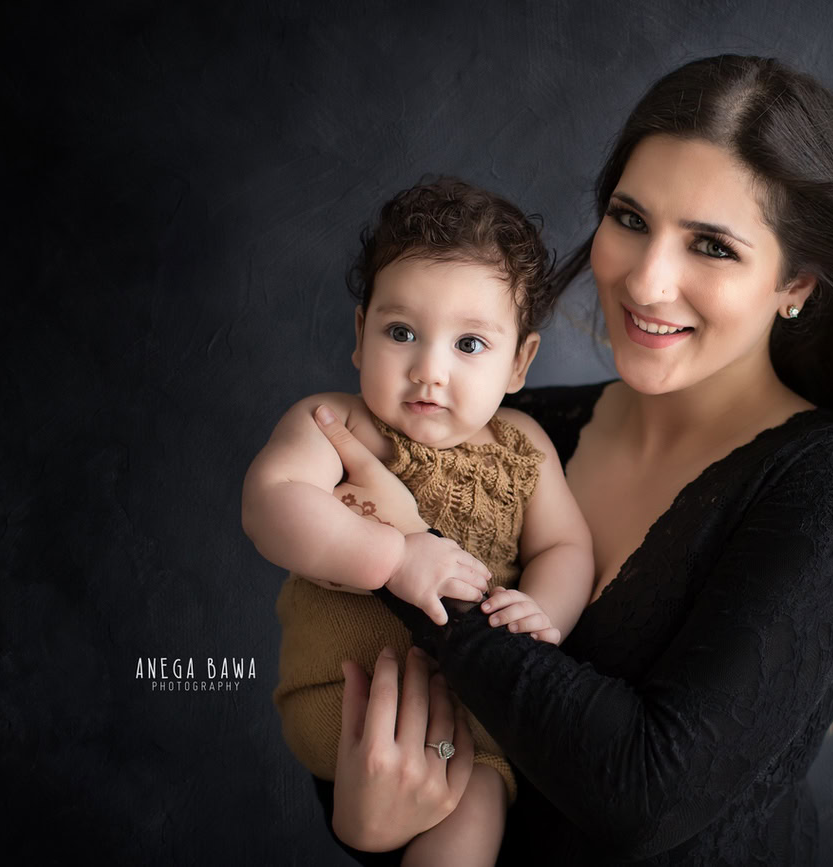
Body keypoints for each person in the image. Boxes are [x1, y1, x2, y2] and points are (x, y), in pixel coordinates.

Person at [301, 55, 833, 865]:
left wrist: (402, 555)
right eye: (629, 219)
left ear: (796, 284)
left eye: (712, 245)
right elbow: (367, 683)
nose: (646, 280)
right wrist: (363, 827)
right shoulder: (509, 432)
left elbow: (643, 792)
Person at [240, 179, 594, 866]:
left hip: (475, 720)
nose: (428, 370)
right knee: (460, 784)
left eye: (469, 344)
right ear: (360, 333)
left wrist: (543, 608)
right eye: (401, 332)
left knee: (477, 802)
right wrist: (394, 555)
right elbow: (270, 501)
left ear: (519, 361)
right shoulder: (337, 422)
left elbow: (566, 544)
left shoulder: (524, 445)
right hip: (348, 701)